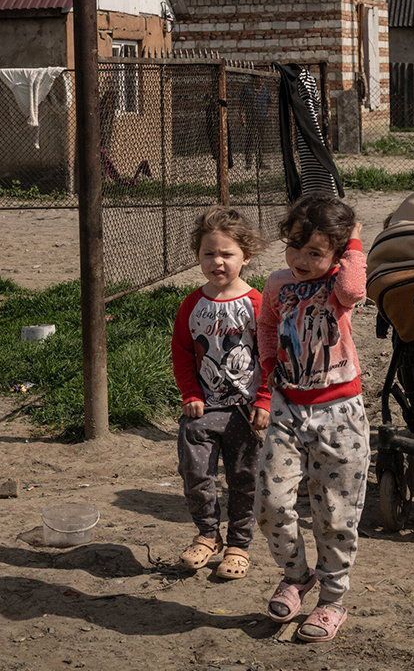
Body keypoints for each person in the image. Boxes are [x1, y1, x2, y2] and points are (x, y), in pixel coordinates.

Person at [253, 194, 368, 643]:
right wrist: (267, 365)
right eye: (294, 247)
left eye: (315, 252)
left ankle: (332, 599)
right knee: (272, 501)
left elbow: (356, 291)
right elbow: (266, 323)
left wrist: (353, 239)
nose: (301, 260)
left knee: (336, 512)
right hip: (287, 405)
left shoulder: (340, 284)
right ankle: (297, 575)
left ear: (336, 255)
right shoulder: (279, 283)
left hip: (340, 412)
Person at [171, 207, 270, 580]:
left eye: (227, 254)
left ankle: (239, 544)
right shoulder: (192, 305)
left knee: (245, 478)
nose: (218, 262)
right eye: (209, 253)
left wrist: (263, 399)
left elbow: (270, 355)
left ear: (246, 255)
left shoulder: (258, 304)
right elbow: (181, 351)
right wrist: (190, 394)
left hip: (246, 411)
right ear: (198, 255)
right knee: (196, 473)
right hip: (204, 409)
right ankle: (206, 534)